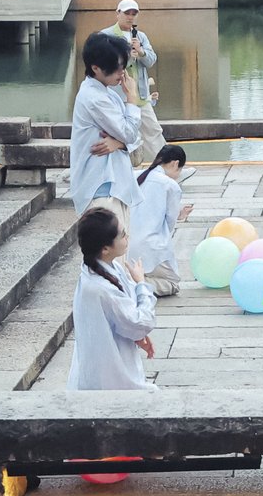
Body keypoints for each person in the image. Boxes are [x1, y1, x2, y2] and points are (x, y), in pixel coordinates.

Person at [67, 207, 157, 391]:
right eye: (122, 235)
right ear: (105, 248)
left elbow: (128, 317)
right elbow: (140, 321)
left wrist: (137, 334)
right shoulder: (100, 287)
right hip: (107, 377)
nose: (127, 237)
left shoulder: (104, 268)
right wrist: (141, 284)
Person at [69, 32, 142, 228]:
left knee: (121, 244)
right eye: (115, 69)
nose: (121, 74)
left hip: (114, 185)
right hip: (101, 187)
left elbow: (132, 136)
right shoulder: (95, 98)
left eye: (123, 67)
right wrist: (132, 98)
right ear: (95, 68)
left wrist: (119, 143)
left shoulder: (106, 93)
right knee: (111, 245)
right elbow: (129, 133)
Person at [100, 0, 167, 166]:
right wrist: (128, 57)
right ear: (118, 13)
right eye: (126, 13)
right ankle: (121, 169)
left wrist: (141, 51)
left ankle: (170, 166)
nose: (130, 17)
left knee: (153, 131)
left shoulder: (140, 36)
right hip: (117, 96)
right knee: (118, 134)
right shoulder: (106, 36)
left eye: (133, 14)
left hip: (140, 95)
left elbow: (151, 60)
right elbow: (105, 65)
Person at [129, 145, 194, 297]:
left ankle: (132, 280)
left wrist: (178, 214)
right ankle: (134, 286)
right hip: (150, 247)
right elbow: (169, 224)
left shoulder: (135, 176)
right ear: (175, 164)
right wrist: (177, 216)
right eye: (180, 170)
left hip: (126, 246)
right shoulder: (170, 185)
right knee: (172, 284)